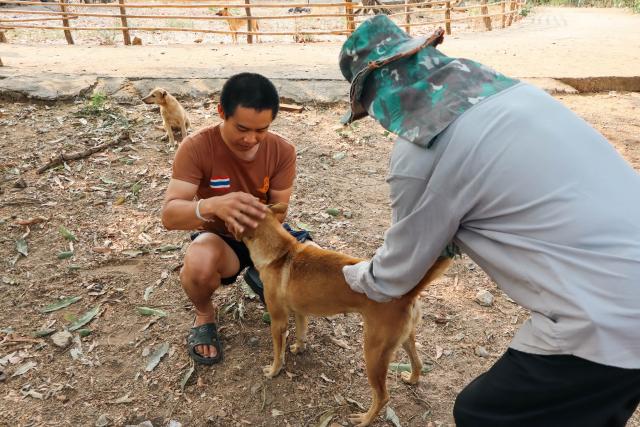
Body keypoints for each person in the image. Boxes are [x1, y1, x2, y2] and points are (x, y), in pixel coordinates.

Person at [338, 15, 640, 427]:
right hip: (623, 287)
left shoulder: (421, 155)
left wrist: (347, 274)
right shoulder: (518, 96)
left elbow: (394, 276)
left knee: (482, 413)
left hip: (609, 317)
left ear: (376, 97)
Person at [161, 72, 297, 365]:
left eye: (262, 130)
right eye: (242, 128)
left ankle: (260, 274)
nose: (251, 139)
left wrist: (252, 221)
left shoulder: (282, 150)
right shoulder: (196, 147)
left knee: (312, 273)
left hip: (264, 235)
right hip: (221, 240)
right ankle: (204, 314)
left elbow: (280, 210)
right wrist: (212, 206)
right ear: (221, 111)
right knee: (198, 264)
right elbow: (170, 215)